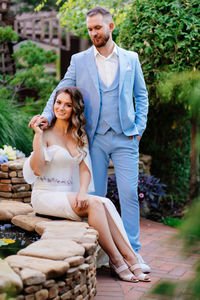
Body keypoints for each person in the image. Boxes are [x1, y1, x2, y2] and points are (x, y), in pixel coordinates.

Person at [29, 6, 150, 272]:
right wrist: (48, 116)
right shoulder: (79, 60)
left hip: (124, 136)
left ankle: (134, 252)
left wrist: (138, 128)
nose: (93, 32)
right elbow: (60, 89)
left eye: (97, 27)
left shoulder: (131, 58)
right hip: (94, 137)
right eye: (90, 29)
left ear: (111, 26)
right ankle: (100, 254)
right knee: (96, 196)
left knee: (129, 194)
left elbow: (141, 96)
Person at [24, 87, 150, 283]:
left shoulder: (79, 135)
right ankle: (118, 260)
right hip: (45, 195)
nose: (61, 108)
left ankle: (130, 258)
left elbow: (84, 170)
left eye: (68, 104)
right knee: (95, 204)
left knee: (104, 202)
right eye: (58, 103)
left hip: (68, 194)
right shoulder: (45, 133)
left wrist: (83, 191)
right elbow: (38, 169)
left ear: (75, 109)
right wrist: (38, 136)